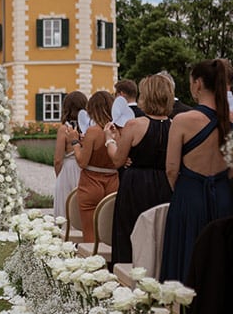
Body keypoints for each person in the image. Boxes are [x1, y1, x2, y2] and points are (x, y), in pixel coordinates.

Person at [160, 58, 233, 283]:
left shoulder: (182, 120)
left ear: (198, 84)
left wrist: (183, 190)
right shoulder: (229, 121)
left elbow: (171, 169)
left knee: (186, 257)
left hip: (189, 197)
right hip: (223, 197)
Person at [103, 74, 173, 265]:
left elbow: (118, 160)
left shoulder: (134, 125)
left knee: (130, 234)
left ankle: (128, 280)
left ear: (146, 96)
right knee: (159, 236)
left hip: (136, 186)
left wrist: (109, 139)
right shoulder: (174, 125)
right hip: (164, 184)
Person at [68, 90, 119, 242]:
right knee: (110, 234)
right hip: (114, 182)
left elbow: (82, 162)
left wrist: (75, 142)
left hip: (91, 182)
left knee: (90, 236)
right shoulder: (119, 130)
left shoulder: (93, 131)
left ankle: (93, 264)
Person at [53, 90, 87, 221]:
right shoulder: (89, 128)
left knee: (65, 208)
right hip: (84, 169)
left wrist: (59, 176)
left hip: (68, 169)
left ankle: (65, 234)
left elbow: (58, 159)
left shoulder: (64, 129)